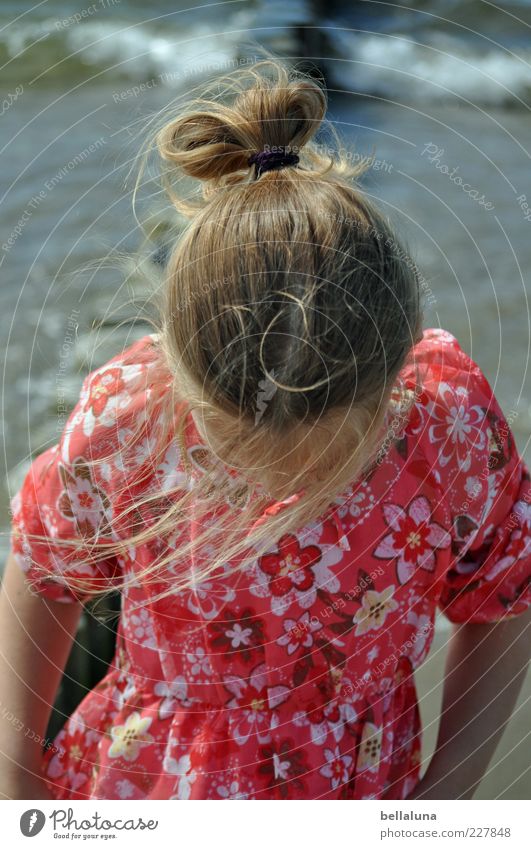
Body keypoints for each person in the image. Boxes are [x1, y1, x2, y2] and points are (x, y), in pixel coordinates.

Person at [0, 59, 529, 801]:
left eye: (328, 461)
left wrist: (445, 797)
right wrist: (15, 779)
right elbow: (42, 569)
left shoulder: (445, 425)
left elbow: (504, 597)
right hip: (154, 783)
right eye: (248, 453)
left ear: (392, 383)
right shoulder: (131, 423)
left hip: (355, 789)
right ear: (180, 382)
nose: (288, 488)